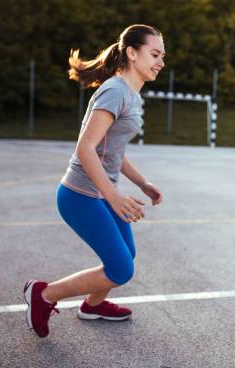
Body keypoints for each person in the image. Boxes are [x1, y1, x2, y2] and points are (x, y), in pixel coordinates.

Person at [24, 24, 165, 338]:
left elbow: (111, 150)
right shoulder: (115, 91)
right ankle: (43, 295)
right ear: (132, 52)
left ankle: (93, 305)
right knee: (121, 269)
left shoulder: (132, 95)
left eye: (162, 57)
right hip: (79, 196)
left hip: (100, 194)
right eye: (155, 54)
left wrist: (142, 183)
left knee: (126, 256)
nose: (160, 62)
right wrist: (114, 196)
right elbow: (85, 148)